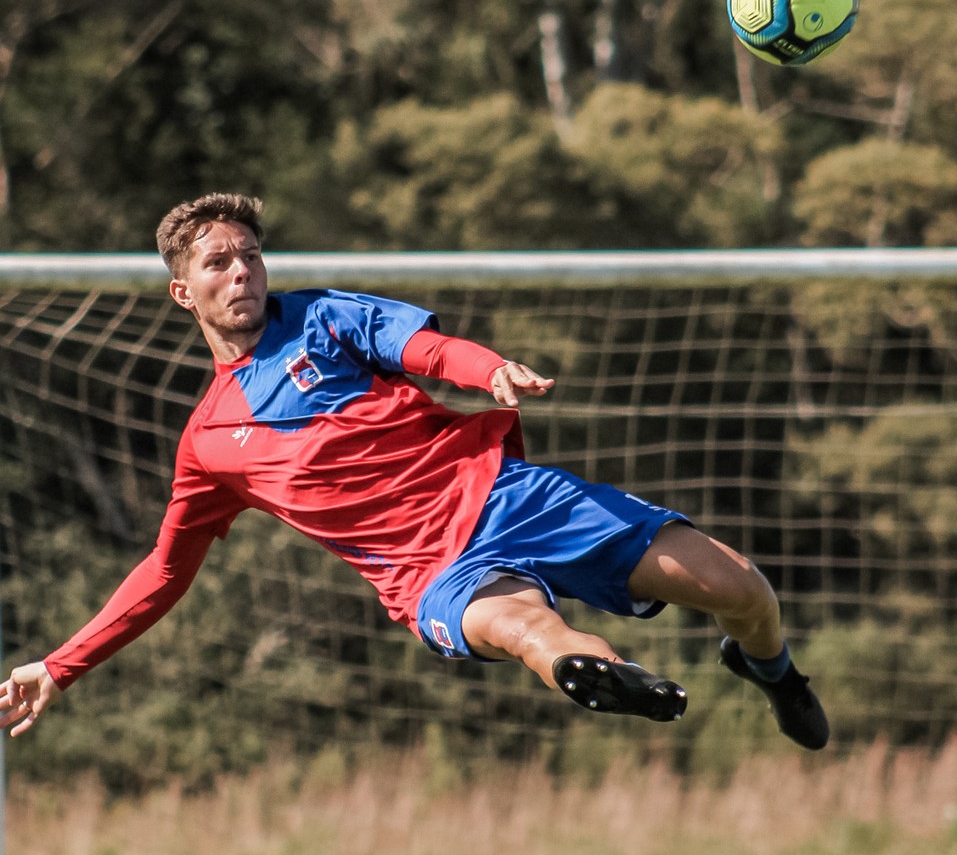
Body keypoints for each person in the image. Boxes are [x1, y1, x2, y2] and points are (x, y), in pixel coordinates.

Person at [0, 193, 829, 750]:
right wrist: (61, 664)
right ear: (184, 293)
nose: (242, 272)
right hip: (430, 575)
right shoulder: (209, 444)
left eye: (250, 255)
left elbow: (425, 349)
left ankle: (769, 670)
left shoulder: (322, 318)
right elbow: (162, 572)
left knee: (745, 592)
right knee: (537, 638)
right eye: (218, 263)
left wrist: (490, 369)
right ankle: (607, 674)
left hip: (511, 497)